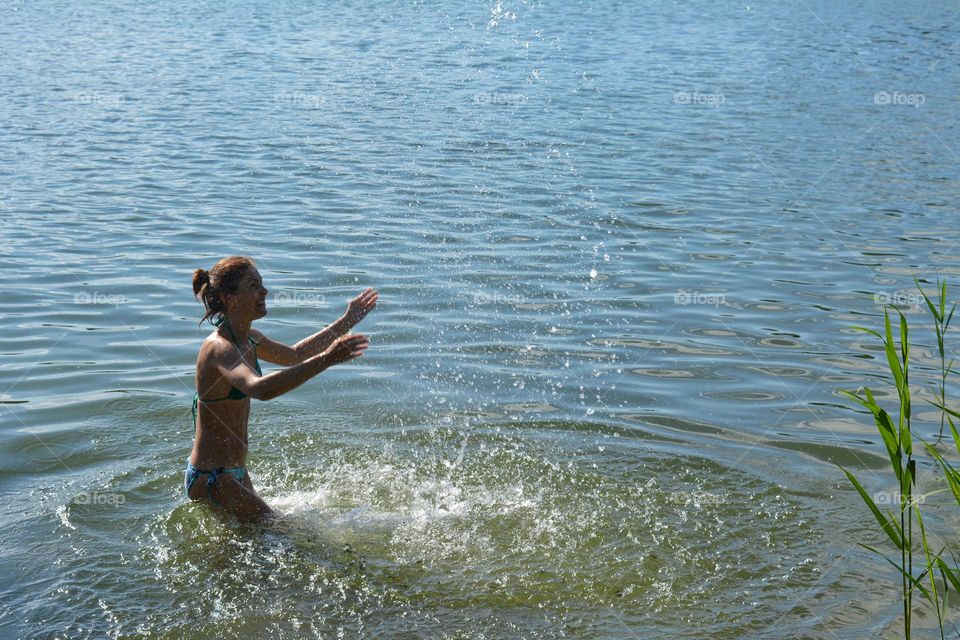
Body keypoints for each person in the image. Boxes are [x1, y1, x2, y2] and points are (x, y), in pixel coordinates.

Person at [186, 255, 377, 522]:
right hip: (213, 478)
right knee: (284, 534)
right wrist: (327, 359)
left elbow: (295, 355)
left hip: (234, 472)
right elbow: (259, 389)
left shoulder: (249, 338)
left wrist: (348, 320)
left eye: (261, 284)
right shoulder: (219, 348)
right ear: (229, 298)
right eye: (253, 286)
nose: (264, 291)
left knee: (260, 538)